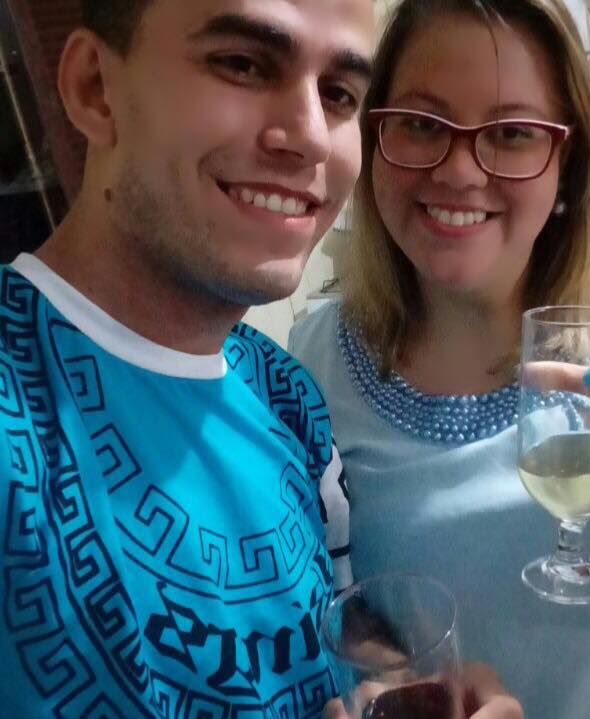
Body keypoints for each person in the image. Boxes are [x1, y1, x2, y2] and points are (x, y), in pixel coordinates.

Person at [289, 1, 590, 717]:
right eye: (422, 124)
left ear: (566, 161)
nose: (460, 172)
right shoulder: (311, 366)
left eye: (513, 133)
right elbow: (342, 601)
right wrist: (398, 682)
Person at [0, 0, 375, 716]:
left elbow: (325, 640)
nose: (310, 137)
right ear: (94, 89)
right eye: (242, 63)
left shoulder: (286, 391)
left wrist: (406, 690)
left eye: (339, 95)